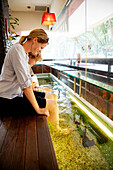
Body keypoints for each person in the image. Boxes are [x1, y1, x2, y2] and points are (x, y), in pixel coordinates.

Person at [0, 29, 59, 129]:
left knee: (51, 97)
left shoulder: (24, 53)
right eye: (41, 47)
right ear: (35, 40)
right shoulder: (17, 50)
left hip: (16, 95)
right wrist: (38, 109)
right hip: (7, 101)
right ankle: (57, 133)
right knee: (52, 105)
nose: (40, 50)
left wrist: (38, 94)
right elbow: (25, 84)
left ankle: (53, 123)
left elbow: (27, 82)